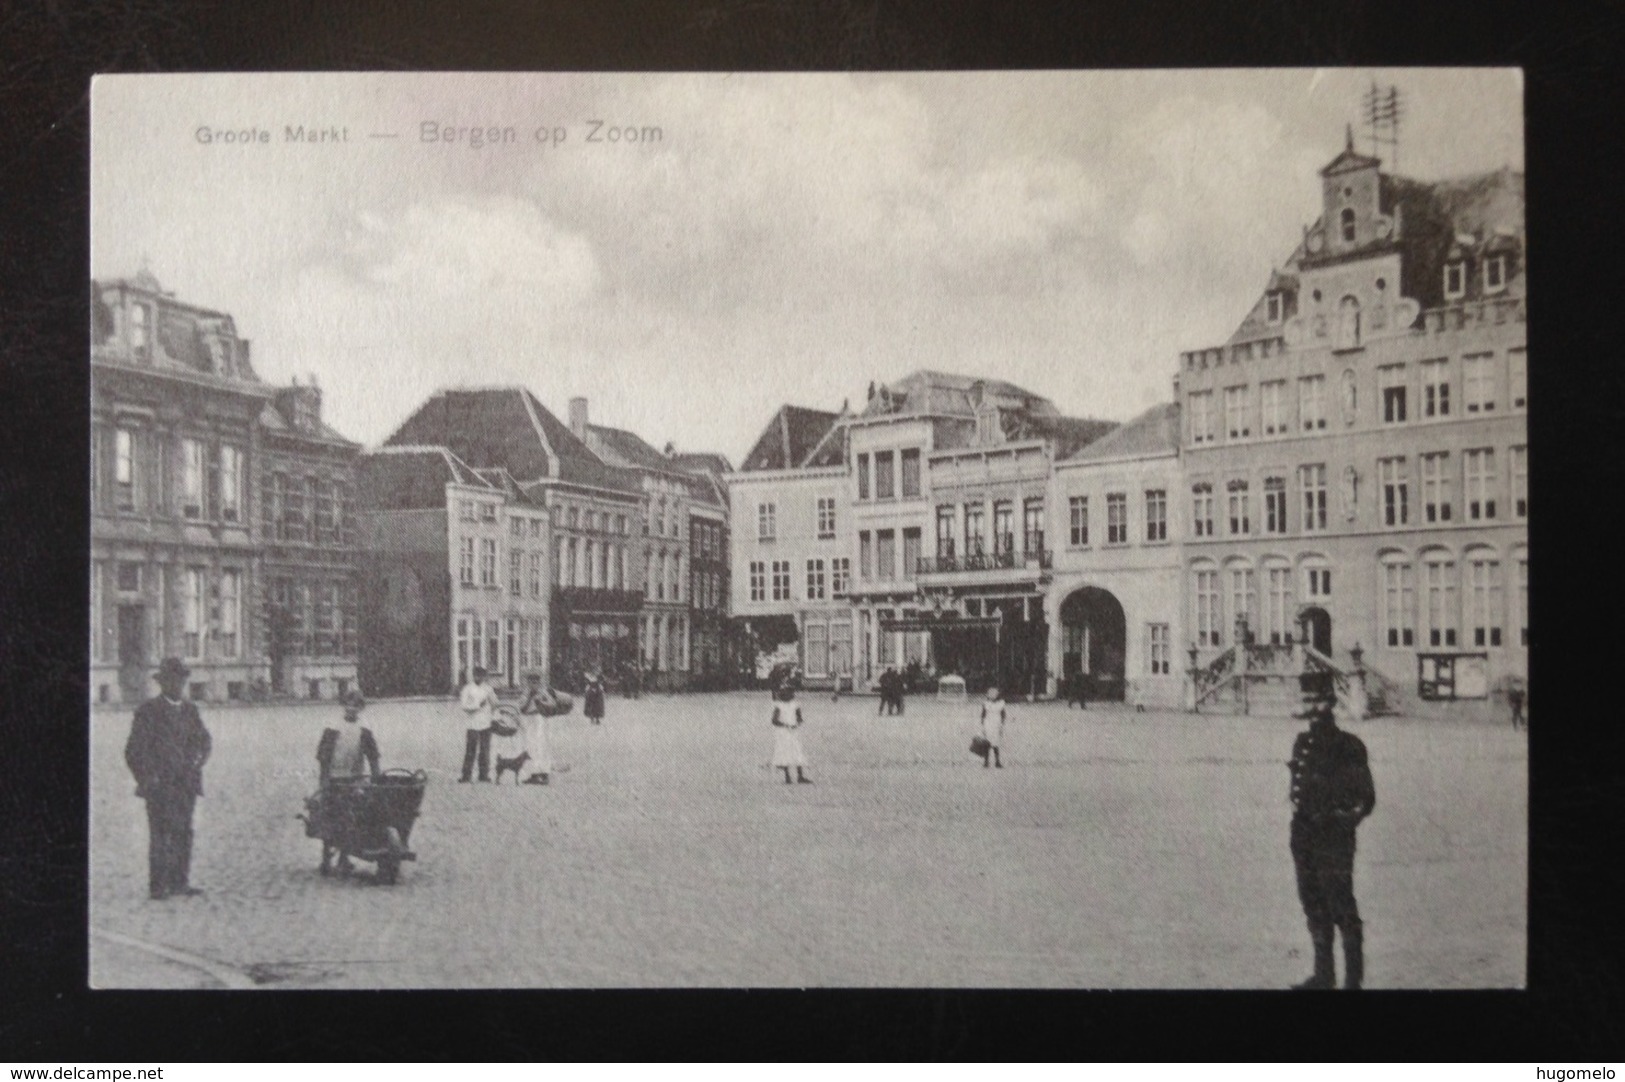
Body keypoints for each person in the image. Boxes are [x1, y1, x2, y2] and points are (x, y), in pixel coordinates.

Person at [1287, 669, 1376, 990]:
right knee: (1313, 905)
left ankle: (1353, 981)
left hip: (1333, 838)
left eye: (1316, 700)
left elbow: (1365, 800)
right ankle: (1324, 976)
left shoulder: (1348, 745)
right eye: (1306, 699)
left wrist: (1339, 824)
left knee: (1341, 906)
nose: (1310, 706)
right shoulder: (1302, 742)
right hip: (1303, 836)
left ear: (1330, 702)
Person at [124, 657, 212, 900]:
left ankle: (180, 882)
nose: (178, 685)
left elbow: (204, 741)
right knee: (161, 833)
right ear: (162, 683)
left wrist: (198, 761)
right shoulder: (148, 712)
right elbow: (133, 751)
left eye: (181, 680)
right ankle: (158, 885)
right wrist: (147, 777)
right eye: (172, 680)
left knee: (184, 832)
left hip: (186, 784)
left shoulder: (190, 710)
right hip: (159, 785)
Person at [314, 690, 381, 875]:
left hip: (355, 778)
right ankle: (326, 857)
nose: (351, 708)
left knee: (352, 817)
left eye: (356, 705)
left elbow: (373, 754)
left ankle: (344, 857)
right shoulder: (333, 727)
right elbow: (324, 755)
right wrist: (324, 779)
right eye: (348, 704)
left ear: (361, 708)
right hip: (334, 778)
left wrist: (376, 777)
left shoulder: (364, 729)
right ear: (343, 706)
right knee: (329, 816)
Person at [458, 665, 498, 782]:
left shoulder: (488, 689)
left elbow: (495, 704)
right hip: (473, 723)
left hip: (486, 723)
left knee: (485, 750)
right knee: (470, 750)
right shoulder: (467, 689)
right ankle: (466, 775)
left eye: (481, 676)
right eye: (476, 675)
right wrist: (477, 706)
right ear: (473, 676)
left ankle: (483, 775)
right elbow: (464, 706)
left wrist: (494, 712)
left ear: (484, 677)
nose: (478, 678)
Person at [518, 673, 559, 784]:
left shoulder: (543, 692)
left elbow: (553, 704)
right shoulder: (525, 693)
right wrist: (529, 698)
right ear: (528, 683)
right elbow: (521, 708)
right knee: (531, 746)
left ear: (539, 683)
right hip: (529, 719)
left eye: (535, 682)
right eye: (531, 682)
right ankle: (534, 773)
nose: (533, 685)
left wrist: (541, 702)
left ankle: (544, 772)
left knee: (542, 745)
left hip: (540, 719)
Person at [770, 684, 812, 784]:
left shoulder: (791, 705)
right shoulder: (782, 706)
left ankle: (794, 776)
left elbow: (799, 718)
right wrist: (790, 724)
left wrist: (794, 723)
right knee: (790, 752)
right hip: (786, 731)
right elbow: (774, 720)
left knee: (793, 751)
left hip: (789, 731)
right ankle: (792, 776)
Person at [978, 686, 1006, 768]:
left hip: (997, 724)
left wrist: (1002, 724)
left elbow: (1003, 714)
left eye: (994, 694)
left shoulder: (1001, 703)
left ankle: (997, 761)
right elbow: (983, 714)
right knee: (987, 743)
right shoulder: (986, 703)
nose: (992, 696)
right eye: (991, 694)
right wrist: (982, 725)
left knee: (996, 743)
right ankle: (986, 762)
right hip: (988, 723)